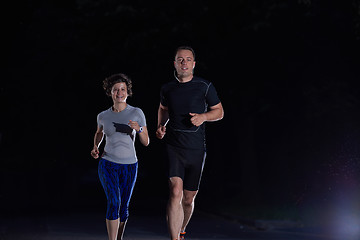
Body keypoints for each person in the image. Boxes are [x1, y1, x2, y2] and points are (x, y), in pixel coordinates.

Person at [156, 46, 224, 240]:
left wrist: (203, 117)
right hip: (173, 146)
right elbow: (163, 108)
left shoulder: (205, 86)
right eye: (180, 59)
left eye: (187, 59)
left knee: (188, 198)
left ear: (193, 64)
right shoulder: (167, 88)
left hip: (195, 148)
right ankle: (175, 238)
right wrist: (160, 126)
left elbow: (219, 111)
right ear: (175, 64)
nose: (184, 62)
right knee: (175, 191)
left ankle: (182, 229)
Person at [91, 73, 149, 240]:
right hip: (108, 163)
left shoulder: (137, 113)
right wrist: (95, 146)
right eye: (116, 90)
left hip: (130, 165)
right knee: (114, 202)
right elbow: (99, 133)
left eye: (123, 89)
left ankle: (119, 238)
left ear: (127, 91)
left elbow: (146, 142)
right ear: (110, 92)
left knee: (123, 207)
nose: (120, 93)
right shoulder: (103, 116)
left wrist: (138, 129)